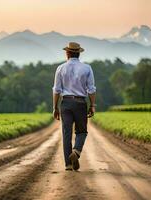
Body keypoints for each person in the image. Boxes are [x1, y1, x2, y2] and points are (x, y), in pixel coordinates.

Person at [52, 42, 96, 171]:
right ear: (79, 53)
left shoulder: (60, 68)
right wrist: (92, 105)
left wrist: (55, 107)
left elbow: (56, 90)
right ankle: (76, 152)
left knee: (66, 133)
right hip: (80, 102)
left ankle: (68, 165)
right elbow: (91, 90)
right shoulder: (87, 68)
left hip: (65, 103)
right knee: (81, 131)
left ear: (67, 53)